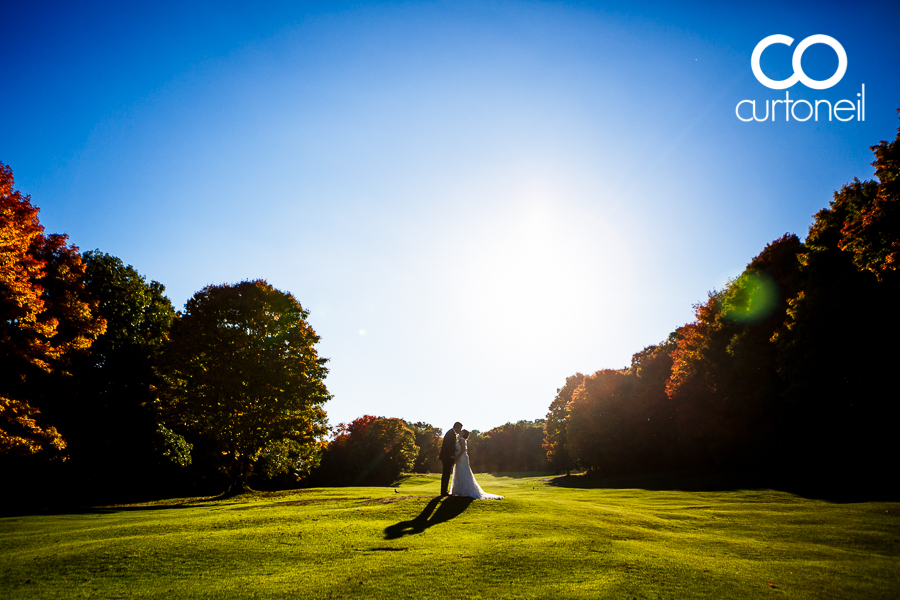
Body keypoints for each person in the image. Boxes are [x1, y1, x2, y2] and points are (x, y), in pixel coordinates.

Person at [450, 430, 503, 500]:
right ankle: (460, 490)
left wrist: (457, 456)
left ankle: (464, 490)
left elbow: (463, 449)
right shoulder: (462, 440)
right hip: (462, 457)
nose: (460, 431)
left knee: (462, 472)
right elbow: (466, 450)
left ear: (464, 433)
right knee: (461, 472)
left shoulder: (461, 440)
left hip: (461, 458)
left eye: (462, 431)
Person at [439, 422, 462, 497]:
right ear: (457, 427)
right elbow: (448, 446)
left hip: (446, 457)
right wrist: (451, 455)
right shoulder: (451, 433)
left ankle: (444, 490)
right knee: (446, 474)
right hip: (447, 457)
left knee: (446, 474)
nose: (460, 430)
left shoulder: (451, 433)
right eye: (460, 428)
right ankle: (444, 491)